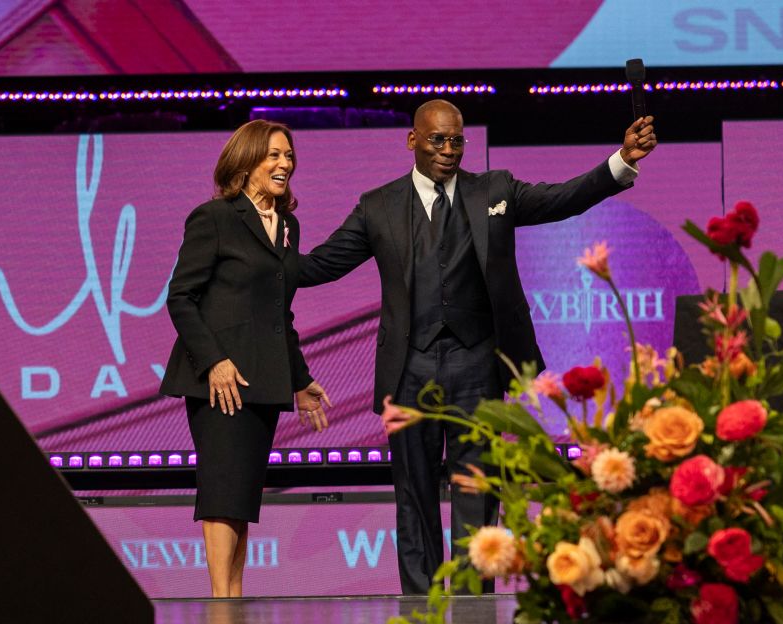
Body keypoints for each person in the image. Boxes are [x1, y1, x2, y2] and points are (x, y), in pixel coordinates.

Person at [298, 100, 656, 593]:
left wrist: (622, 159)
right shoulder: (377, 206)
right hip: (409, 367)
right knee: (414, 491)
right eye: (437, 140)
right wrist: (261, 252)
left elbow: (565, 198)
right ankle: (422, 605)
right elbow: (320, 266)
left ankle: (472, 605)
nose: (448, 151)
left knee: (477, 487)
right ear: (412, 141)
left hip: (477, 363)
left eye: (456, 141)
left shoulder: (495, 190)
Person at [160, 119, 332, 598]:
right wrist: (214, 360)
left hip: (263, 380)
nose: (284, 164)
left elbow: (279, 314)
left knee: (241, 497)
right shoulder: (214, 218)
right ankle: (222, 602)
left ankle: (234, 597)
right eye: (273, 155)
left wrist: (300, 379)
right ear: (247, 161)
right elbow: (181, 297)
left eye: (289, 156)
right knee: (222, 491)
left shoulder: (287, 226)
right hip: (219, 382)